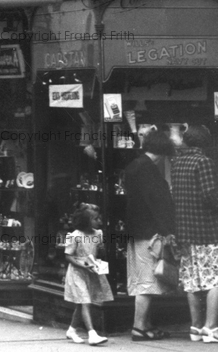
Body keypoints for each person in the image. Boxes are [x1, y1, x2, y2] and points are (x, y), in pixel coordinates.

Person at [124, 129, 176, 341]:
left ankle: (145, 325)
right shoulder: (148, 170)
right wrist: (168, 230)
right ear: (162, 150)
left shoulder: (135, 166)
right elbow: (157, 202)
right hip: (148, 232)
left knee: (143, 280)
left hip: (137, 230)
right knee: (146, 282)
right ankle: (139, 327)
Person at [170, 125, 218, 343]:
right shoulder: (204, 162)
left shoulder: (177, 162)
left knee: (192, 281)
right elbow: (210, 195)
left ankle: (195, 327)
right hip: (207, 230)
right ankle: (211, 327)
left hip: (185, 231)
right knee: (214, 281)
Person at [64, 203, 113, 346]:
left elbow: (99, 252)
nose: (100, 222)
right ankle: (92, 334)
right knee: (85, 301)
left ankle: (71, 330)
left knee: (82, 303)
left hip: (91, 271)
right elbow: (68, 256)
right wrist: (84, 266)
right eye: (96, 219)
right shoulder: (75, 236)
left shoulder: (98, 234)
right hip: (78, 273)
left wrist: (101, 252)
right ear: (86, 220)